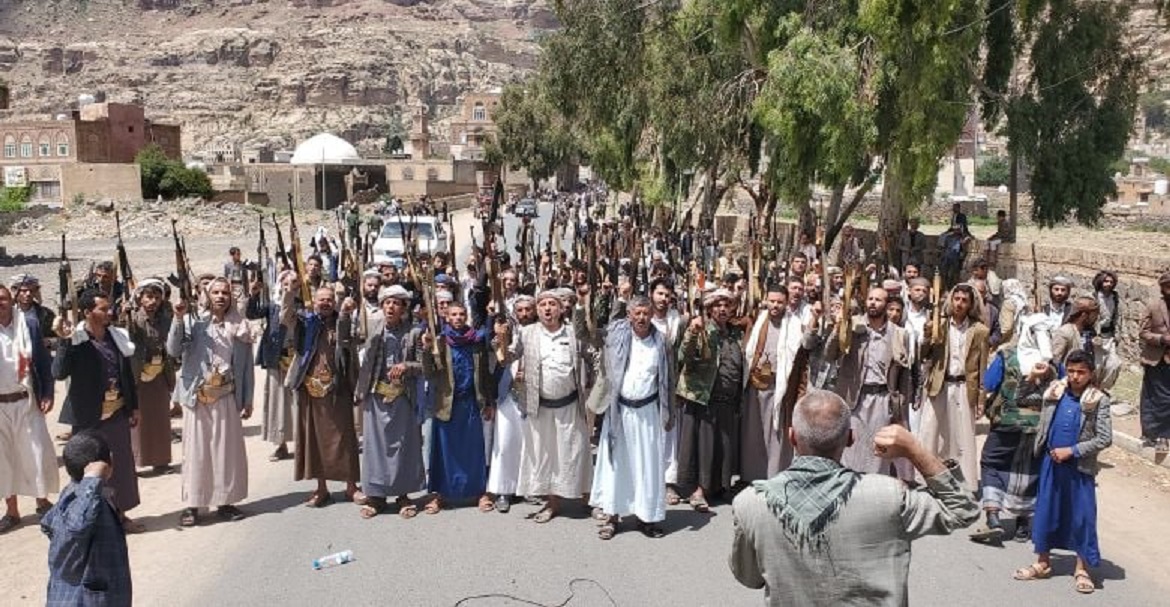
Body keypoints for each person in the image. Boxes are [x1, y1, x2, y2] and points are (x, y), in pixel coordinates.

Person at [729, 390, 979, 607]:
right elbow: (963, 509)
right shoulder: (889, 496)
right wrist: (914, 449)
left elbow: (749, 577)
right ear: (850, 438)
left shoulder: (752, 503)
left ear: (792, 436)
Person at [1014, 350, 1112, 595]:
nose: (1075, 376)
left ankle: (1082, 569)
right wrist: (1031, 377)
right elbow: (1022, 399)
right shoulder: (1054, 391)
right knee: (1047, 511)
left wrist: (1073, 450)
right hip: (1051, 463)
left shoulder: (1098, 399)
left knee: (1082, 517)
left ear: (1091, 374)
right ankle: (1043, 562)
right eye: (1071, 371)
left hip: (1079, 468)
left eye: (1081, 372)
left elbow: (1104, 438)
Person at [53, 289, 143, 531]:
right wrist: (64, 341)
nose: (109, 312)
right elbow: (58, 372)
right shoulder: (76, 339)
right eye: (103, 309)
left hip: (117, 414)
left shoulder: (117, 337)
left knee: (121, 466)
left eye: (109, 307)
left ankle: (120, 515)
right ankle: (91, 520)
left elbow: (126, 375)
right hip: (88, 417)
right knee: (89, 468)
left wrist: (134, 407)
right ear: (87, 312)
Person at [168, 277, 254, 527]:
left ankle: (225, 502)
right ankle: (193, 505)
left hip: (226, 395)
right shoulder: (193, 321)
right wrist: (177, 318)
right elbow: (173, 350)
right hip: (198, 396)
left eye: (225, 293)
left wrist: (247, 398)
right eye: (215, 292)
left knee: (226, 452)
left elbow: (246, 366)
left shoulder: (239, 326)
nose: (220, 297)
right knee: (197, 452)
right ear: (207, 295)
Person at [587, 296, 674, 539]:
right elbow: (594, 329)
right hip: (620, 412)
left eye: (646, 313)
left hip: (648, 412)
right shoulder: (617, 335)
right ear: (629, 315)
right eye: (637, 313)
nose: (642, 318)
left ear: (652, 315)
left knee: (646, 466)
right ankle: (612, 517)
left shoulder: (661, 342)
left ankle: (646, 518)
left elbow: (669, 379)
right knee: (616, 466)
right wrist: (615, 297)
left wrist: (669, 413)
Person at [514, 292, 592, 523]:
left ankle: (588, 499)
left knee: (576, 452)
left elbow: (592, 354)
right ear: (537, 310)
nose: (547, 308)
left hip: (570, 404)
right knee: (546, 456)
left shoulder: (572, 332)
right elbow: (508, 356)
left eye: (552, 304)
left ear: (561, 309)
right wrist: (500, 340)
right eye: (542, 304)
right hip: (540, 406)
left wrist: (597, 390)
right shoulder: (527, 333)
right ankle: (552, 503)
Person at [282, 282, 361, 507]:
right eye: (321, 299)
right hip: (311, 389)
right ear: (314, 302)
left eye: (329, 299)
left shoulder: (342, 320)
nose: (325, 303)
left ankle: (351, 487)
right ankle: (321, 488)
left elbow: (352, 339)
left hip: (339, 387)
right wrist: (290, 292)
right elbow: (286, 317)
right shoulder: (306, 322)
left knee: (345, 437)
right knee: (314, 440)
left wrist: (346, 312)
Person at [353, 286, 427, 519]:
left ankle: (403, 495)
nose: (391, 307)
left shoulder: (415, 333)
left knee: (403, 447)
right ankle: (376, 496)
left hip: (403, 396)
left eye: (396, 303)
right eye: (387, 303)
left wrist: (407, 366)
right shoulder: (373, 329)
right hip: (376, 395)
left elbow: (426, 365)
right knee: (376, 448)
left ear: (403, 308)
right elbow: (354, 348)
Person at [826, 287, 911, 476]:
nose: (873, 302)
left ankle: (874, 487)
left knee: (878, 451)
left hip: (882, 399)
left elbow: (904, 376)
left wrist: (901, 408)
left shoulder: (899, 334)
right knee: (851, 448)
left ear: (887, 305)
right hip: (854, 398)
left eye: (878, 300)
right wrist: (839, 327)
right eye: (870, 298)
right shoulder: (852, 326)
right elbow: (830, 355)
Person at [970, 345, 1050, 544]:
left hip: (1006, 422)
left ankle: (993, 516)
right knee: (1028, 471)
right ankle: (1023, 526)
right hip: (1038, 426)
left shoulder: (1006, 356)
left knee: (991, 463)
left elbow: (989, 383)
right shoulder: (1052, 361)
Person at [41, 432, 132, 607]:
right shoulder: (84, 499)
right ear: (108, 463)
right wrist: (92, 480)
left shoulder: (78, 494)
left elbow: (48, 523)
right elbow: (78, 525)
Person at [676, 288, 744, 513]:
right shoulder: (701, 329)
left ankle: (719, 487)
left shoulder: (735, 333)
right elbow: (683, 356)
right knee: (703, 446)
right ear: (710, 309)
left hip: (728, 399)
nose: (722, 309)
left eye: (726, 305)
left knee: (723, 445)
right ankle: (698, 491)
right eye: (718, 305)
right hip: (705, 398)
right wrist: (692, 332)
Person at [423, 301, 494, 514]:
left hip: (470, 402)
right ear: (447, 317)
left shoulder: (476, 340)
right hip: (446, 403)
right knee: (445, 452)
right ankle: (440, 495)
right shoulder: (440, 340)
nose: (458, 318)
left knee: (474, 451)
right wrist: (426, 350)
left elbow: (484, 372)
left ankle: (480, 492)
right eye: (453, 314)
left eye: (462, 314)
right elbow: (429, 372)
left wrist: (488, 401)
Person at [741, 284, 816, 482]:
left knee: (776, 434)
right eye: (772, 301)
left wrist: (815, 321)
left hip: (780, 386)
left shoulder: (795, 325)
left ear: (786, 303)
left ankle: (775, 475)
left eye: (779, 302)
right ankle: (752, 476)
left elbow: (807, 346)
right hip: (757, 384)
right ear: (766, 300)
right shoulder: (758, 320)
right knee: (754, 432)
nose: (775, 305)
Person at [917, 283, 989, 491]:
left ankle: (965, 484)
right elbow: (923, 355)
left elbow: (982, 367)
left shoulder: (979, 331)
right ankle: (927, 479)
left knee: (962, 437)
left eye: (964, 300)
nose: (959, 304)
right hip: (940, 384)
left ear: (970, 304)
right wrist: (927, 336)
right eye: (956, 299)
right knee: (931, 432)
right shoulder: (939, 325)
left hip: (964, 387)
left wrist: (981, 399)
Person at [0, 284, 58, 534]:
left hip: (27, 400)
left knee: (35, 452)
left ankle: (42, 503)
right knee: (3, 459)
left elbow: (43, 363)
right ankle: (12, 511)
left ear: (11, 300)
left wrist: (47, 393)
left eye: (3, 299)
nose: (0, 304)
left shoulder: (28, 325)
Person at [483, 296, 536, 513]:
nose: (524, 314)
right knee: (504, 443)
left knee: (528, 444)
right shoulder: (504, 333)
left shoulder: (539, 333)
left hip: (530, 395)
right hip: (506, 394)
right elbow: (495, 354)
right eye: (520, 310)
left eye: (528, 310)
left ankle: (527, 487)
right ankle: (503, 490)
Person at [126, 279, 176, 475]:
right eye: (149, 297)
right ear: (140, 298)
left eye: (157, 297)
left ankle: (160, 461)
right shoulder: (132, 318)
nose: (153, 301)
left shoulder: (164, 319)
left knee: (160, 418)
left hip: (160, 373)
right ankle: (135, 461)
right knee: (138, 421)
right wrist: (125, 315)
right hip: (138, 374)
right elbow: (128, 337)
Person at [246, 270, 297, 462]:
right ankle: (280, 444)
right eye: (285, 283)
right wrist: (253, 295)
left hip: (298, 359)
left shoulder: (302, 304)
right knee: (278, 402)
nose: (288, 286)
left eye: (293, 283)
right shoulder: (272, 305)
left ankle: (304, 444)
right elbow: (252, 314)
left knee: (299, 403)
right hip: (276, 358)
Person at [1138, 271, 1170, 453]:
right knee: (1154, 397)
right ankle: (1156, 435)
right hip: (1156, 359)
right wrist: (1161, 339)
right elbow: (1143, 332)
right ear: (1162, 288)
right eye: (1168, 287)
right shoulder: (1154, 305)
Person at [1093, 270, 1120, 340]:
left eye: (1111, 282)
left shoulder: (1114, 298)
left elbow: (1117, 316)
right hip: (1095, 335)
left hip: (1109, 335)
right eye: (1106, 281)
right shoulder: (1093, 297)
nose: (1109, 284)